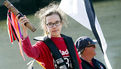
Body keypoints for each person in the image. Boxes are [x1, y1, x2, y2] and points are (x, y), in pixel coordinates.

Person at [17, 3, 82, 69]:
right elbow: (30, 52)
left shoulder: (69, 41)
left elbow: (78, 64)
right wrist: (24, 31)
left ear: (61, 23)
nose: (54, 26)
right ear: (45, 27)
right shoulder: (43, 45)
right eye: (50, 24)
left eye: (57, 22)